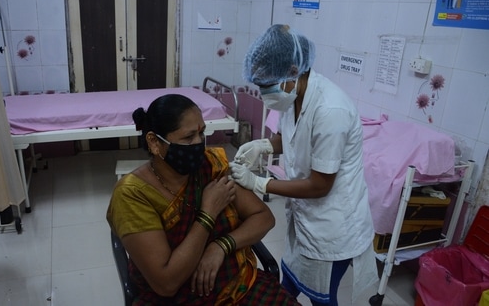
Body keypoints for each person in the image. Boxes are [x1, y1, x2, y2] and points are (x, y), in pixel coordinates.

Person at [229, 24, 379, 306]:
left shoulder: (330, 110)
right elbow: (288, 137)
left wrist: (259, 183)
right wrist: (261, 146)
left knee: (322, 297)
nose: (265, 93)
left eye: (267, 85)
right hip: (305, 217)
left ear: (294, 70)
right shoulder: (294, 95)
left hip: (332, 226)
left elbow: (320, 185)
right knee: (290, 279)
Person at [106, 94, 299, 305]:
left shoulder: (210, 165)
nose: (199, 143)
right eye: (188, 138)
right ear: (154, 142)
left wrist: (221, 246)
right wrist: (207, 214)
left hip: (239, 286)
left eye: (201, 133)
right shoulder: (133, 195)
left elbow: (263, 217)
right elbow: (166, 283)